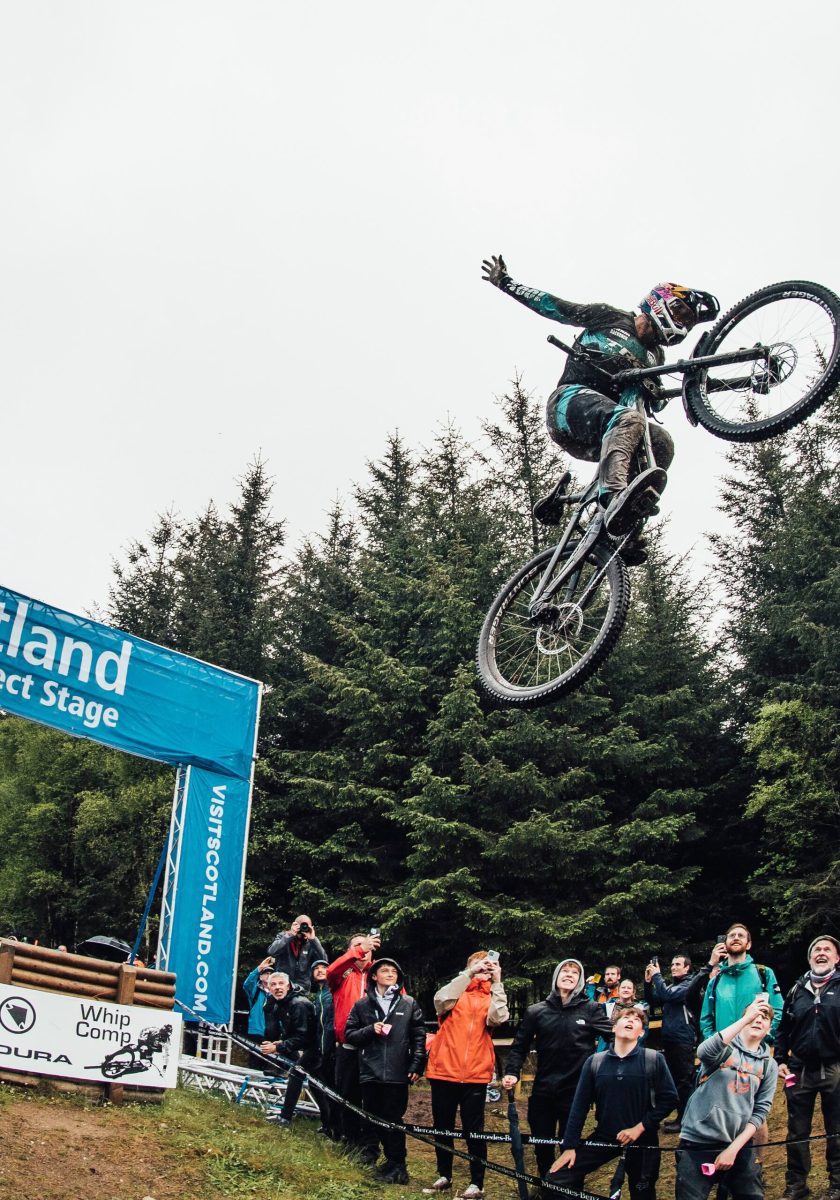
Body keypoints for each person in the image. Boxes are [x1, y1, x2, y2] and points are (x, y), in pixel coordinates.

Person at [482, 254, 719, 551]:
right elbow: (554, 306)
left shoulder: (656, 356)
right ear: (660, 302)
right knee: (629, 420)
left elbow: (650, 401)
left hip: (606, 431)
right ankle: (614, 495)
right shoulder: (610, 317)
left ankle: (622, 529)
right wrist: (505, 283)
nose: (682, 323)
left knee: (661, 442)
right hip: (568, 405)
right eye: (681, 313)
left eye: (688, 322)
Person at [550, 1004, 678, 1200]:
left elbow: (669, 1099)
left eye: (636, 1020)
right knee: (555, 1180)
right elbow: (579, 1106)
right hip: (605, 1136)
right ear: (614, 1027)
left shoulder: (654, 1059)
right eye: (625, 1017)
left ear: (641, 1033)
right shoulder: (595, 1062)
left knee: (642, 1192)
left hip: (643, 1140)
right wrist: (569, 1146)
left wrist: (640, 1127)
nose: (631, 1020)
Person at [502, 958, 613, 1181]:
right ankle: (547, 1186)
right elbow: (520, 1046)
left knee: (569, 1145)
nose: (569, 975)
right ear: (556, 976)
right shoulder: (536, 1011)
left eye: (575, 972)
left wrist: (609, 1068)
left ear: (580, 980)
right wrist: (512, 1072)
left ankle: (570, 1189)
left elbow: (614, 1038)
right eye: (565, 971)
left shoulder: (591, 1009)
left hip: (576, 1091)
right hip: (543, 1089)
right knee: (542, 1144)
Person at [423, 950, 510, 1198]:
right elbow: (440, 1001)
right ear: (469, 966)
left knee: (475, 1130)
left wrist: (497, 982)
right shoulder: (456, 992)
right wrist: (469, 974)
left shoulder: (491, 996)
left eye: (488, 965)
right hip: (444, 1070)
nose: (484, 968)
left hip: (475, 1074)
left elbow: (498, 1018)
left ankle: (476, 1183)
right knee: (442, 1126)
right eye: (478, 964)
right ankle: (444, 1175)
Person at [675, 997, 778, 1200]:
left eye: (764, 1017)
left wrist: (733, 1149)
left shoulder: (769, 1065)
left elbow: (760, 1111)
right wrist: (745, 1019)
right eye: (754, 1015)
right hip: (697, 1142)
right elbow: (703, 1051)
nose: (758, 1019)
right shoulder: (724, 1048)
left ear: (769, 1028)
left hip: (739, 1144)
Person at [698, 924, 783, 1168]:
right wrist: (714, 1043)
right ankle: (719, 1162)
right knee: (718, 1104)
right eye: (731, 935)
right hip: (723, 1053)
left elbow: (777, 1008)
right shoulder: (716, 979)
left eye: (741, 935)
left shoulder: (763, 973)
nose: (735, 938)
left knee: (755, 1110)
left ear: (749, 943)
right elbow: (706, 1017)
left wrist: (764, 1038)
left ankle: (755, 1167)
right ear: (725, 943)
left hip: (755, 1050)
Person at [345, 957, 426, 1185]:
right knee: (371, 1117)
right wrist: (370, 1030)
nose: (390, 974)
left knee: (393, 1119)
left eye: (394, 971)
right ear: (374, 976)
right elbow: (350, 1034)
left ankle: (397, 1165)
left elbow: (419, 1036)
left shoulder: (408, 1003)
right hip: (369, 1071)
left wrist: (417, 1064)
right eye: (385, 971)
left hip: (397, 1072)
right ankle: (374, 1157)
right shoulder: (362, 1005)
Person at [775, 935, 840, 1200]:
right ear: (810, 958)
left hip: (834, 1068)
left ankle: (837, 1184)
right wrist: (780, 1059)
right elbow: (783, 1029)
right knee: (797, 1132)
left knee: (837, 1130)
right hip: (799, 1069)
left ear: (837, 958)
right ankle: (797, 1185)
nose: (821, 953)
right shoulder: (796, 989)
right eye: (817, 950)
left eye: (827, 950)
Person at [645, 952, 714, 1132]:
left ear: (687, 967)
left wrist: (657, 976)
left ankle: (685, 1120)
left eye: (677, 964)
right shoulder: (671, 986)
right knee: (674, 1080)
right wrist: (648, 983)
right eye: (672, 964)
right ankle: (680, 1116)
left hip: (683, 1038)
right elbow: (654, 1000)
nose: (673, 967)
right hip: (669, 1039)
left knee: (684, 1081)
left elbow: (667, 996)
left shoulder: (689, 985)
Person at [326, 930, 381, 1148]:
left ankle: (370, 1144)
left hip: (375, 1046)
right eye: (357, 945)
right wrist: (359, 949)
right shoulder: (342, 974)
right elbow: (330, 971)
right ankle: (350, 1140)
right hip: (347, 1045)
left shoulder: (381, 973)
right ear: (350, 950)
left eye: (367, 945)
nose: (364, 948)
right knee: (348, 1094)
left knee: (373, 1096)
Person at [259, 971, 319, 1127]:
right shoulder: (280, 1003)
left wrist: (279, 1046)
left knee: (298, 1075)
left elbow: (303, 1036)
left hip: (318, 1047)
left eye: (281, 984)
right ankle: (328, 1124)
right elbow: (290, 1030)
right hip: (310, 1046)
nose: (278, 988)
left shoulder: (298, 1003)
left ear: (288, 986)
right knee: (316, 1084)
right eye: (273, 985)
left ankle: (285, 1118)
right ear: (268, 988)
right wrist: (282, 1042)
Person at [309, 958, 338, 1139]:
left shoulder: (333, 991)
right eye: (316, 968)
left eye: (324, 968)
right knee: (316, 1085)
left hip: (333, 1047)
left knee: (333, 1090)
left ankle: (336, 1129)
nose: (320, 970)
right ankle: (327, 1124)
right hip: (320, 1048)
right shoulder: (317, 995)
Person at [266, 914, 327, 992]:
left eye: (306, 926)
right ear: (295, 925)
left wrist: (313, 940)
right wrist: (290, 935)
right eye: (301, 925)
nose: (303, 928)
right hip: (283, 985)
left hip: (303, 987)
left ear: (311, 927)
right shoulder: (284, 936)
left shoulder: (312, 942)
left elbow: (324, 960)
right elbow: (272, 951)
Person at [242, 955, 275, 1067]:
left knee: (270, 1063)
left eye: (271, 974)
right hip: (256, 1031)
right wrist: (259, 968)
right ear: (260, 977)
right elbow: (247, 984)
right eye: (266, 973)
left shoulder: (277, 993)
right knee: (255, 1062)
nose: (269, 975)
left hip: (272, 1033)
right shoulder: (255, 991)